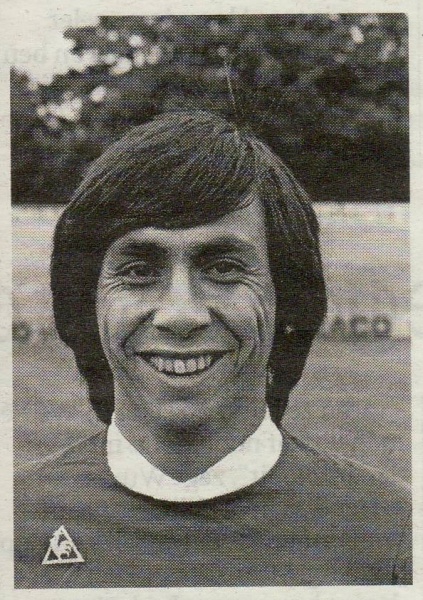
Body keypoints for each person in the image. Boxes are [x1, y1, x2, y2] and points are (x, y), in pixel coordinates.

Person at [14, 111, 411, 588]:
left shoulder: (394, 535)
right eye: (138, 271)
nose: (181, 315)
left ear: (286, 297)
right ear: (87, 302)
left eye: (223, 267)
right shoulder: (15, 523)